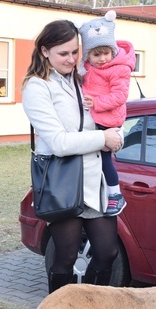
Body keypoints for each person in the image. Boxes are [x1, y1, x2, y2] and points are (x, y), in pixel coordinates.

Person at [22, 20, 124, 293]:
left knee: (107, 253)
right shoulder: (37, 87)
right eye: (63, 53)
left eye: (75, 52)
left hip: (96, 179)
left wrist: (116, 135)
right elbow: (57, 142)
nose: (71, 59)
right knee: (65, 257)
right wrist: (102, 139)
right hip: (63, 180)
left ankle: (88, 308)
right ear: (45, 51)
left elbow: (109, 118)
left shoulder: (85, 79)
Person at [78, 10, 135, 215]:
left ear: (113, 51)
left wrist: (96, 102)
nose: (102, 58)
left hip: (109, 119)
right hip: (96, 117)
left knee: (104, 159)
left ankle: (115, 194)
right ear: (88, 55)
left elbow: (120, 97)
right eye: (96, 54)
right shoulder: (88, 68)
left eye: (106, 53)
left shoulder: (119, 69)